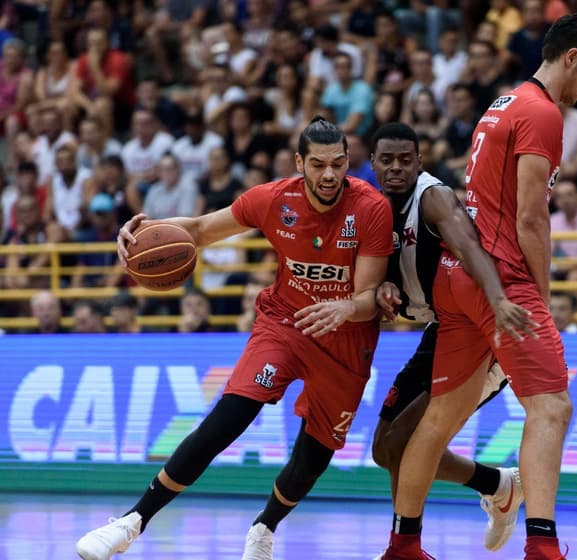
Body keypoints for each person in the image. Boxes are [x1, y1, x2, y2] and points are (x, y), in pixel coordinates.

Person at [75, 117, 394, 560]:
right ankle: (133, 521)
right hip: (286, 321)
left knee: (313, 458)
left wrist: (347, 307)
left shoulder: (371, 208)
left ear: (347, 162)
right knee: (228, 417)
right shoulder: (272, 199)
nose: (329, 175)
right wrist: (143, 234)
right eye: (318, 164)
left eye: (338, 164)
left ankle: (264, 527)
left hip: (346, 338)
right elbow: (203, 229)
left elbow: (367, 295)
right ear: (300, 163)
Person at [379, 14, 577, 560]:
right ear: (571, 58)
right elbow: (531, 217)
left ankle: (402, 546)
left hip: (457, 277)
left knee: (435, 422)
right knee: (551, 408)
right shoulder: (543, 113)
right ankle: (543, 547)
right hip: (501, 276)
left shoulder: (502, 103)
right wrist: (542, 298)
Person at [369, 122, 537, 555]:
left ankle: (404, 545)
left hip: (478, 333)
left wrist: (498, 300)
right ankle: (499, 485)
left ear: (419, 162)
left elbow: (468, 247)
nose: (396, 168)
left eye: (405, 160)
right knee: (383, 450)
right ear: (371, 163)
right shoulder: (372, 206)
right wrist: (381, 289)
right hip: (437, 328)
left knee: (405, 440)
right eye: (386, 160)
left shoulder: (434, 198)